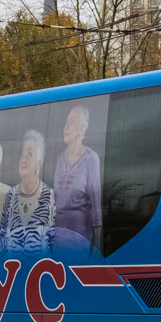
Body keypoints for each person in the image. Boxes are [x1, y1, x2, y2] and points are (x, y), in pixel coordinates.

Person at [0, 130, 56, 253]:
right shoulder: (10, 196)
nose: (24, 159)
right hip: (13, 270)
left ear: (39, 161)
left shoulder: (50, 196)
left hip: (40, 270)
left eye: (29, 154)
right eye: (22, 154)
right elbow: (1, 243)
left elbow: (55, 244)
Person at [54, 105, 103, 252]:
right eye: (65, 122)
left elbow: (96, 208)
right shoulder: (59, 159)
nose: (66, 127)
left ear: (82, 129)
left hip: (80, 238)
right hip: (57, 237)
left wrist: (97, 247)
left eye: (72, 121)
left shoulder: (91, 158)